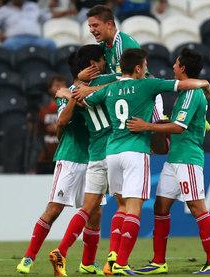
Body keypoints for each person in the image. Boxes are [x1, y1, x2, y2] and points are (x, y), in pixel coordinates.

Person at [75, 48, 210, 275]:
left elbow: (84, 98)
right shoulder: (147, 84)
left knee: (121, 206)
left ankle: (117, 257)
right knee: (134, 209)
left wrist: (75, 88)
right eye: (146, 65)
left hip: (111, 154)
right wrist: (204, 82)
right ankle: (121, 263)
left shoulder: (110, 88)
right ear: (138, 68)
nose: (148, 69)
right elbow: (181, 86)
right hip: (136, 152)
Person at [126, 48, 210, 275]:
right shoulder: (187, 92)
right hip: (175, 158)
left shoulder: (191, 94)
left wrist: (147, 126)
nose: (173, 67)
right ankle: (159, 261)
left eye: (176, 64)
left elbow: (179, 128)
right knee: (161, 206)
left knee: (197, 206)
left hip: (187, 157)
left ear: (183, 68)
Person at [15, 48, 94, 275]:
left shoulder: (91, 91)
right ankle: (28, 258)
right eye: (93, 65)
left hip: (94, 157)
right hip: (70, 158)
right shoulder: (67, 92)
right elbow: (62, 121)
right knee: (54, 208)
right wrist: (73, 96)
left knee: (95, 212)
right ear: (83, 70)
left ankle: (87, 264)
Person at [48, 44, 119, 277]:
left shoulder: (74, 90)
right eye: (101, 60)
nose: (105, 63)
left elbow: (68, 101)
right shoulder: (109, 79)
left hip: (95, 154)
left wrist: (71, 89)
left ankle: (62, 251)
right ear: (93, 65)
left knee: (89, 209)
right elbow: (128, 81)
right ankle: (114, 261)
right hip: (113, 150)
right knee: (126, 207)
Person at [0, 0, 71, 51]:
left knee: (50, 44)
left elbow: (48, 16)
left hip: (35, 39)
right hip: (15, 40)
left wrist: (67, 12)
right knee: (6, 46)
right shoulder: (3, 10)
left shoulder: (33, 6)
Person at [36, 75, 67, 174]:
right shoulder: (43, 110)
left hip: (64, 155)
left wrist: (58, 127)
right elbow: (37, 131)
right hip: (46, 155)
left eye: (63, 85)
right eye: (57, 85)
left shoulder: (70, 108)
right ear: (50, 88)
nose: (60, 88)